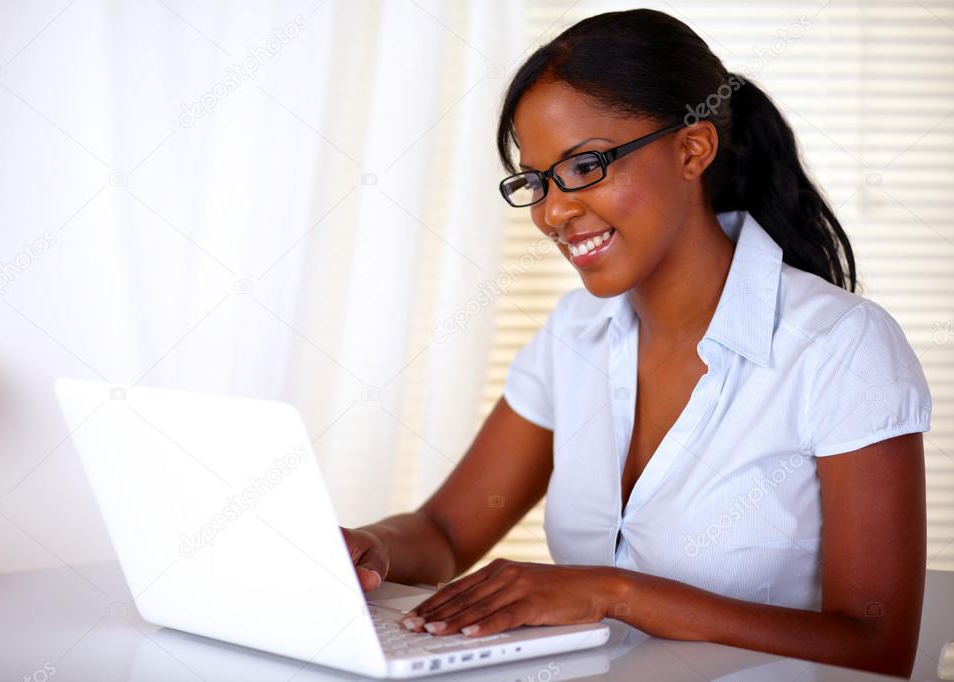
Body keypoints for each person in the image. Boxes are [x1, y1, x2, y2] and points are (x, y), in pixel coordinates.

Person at [341, 9, 931, 678]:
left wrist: (612, 591)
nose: (552, 212)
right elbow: (445, 535)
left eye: (584, 165)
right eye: (535, 181)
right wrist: (368, 548)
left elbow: (874, 648)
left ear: (691, 149)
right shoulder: (573, 335)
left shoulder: (840, 347)